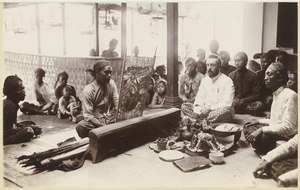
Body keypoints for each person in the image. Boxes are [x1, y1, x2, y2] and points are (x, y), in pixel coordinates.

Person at [244, 62, 297, 154]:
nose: (265, 78)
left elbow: (289, 128)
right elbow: (276, 121)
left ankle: (272, 149)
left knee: (261, 137)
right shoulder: (276, 93)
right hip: (278, 131)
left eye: (269, 74)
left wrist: (262, 129)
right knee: (248, 126)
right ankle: (263, 145)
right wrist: (259, 121)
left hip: (288, 137)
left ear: (280, 78)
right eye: (265, 75)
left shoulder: (291, 95)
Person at [181, 56, 235, 123]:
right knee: (184, 106)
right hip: (204, 111)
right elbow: (199, 98)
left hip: (218, 111)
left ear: (219, 66)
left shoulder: (227, 81)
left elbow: (227, 104)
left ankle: (198, 120)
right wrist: (199, 109)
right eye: (208, 65)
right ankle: (203, 121)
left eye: (212, 65)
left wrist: (209, 109)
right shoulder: (205, 80)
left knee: (223, 112)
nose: (209, 68)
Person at [75, 60, 119, 138]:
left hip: (108, 118)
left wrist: (117, 111)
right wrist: (103, 127)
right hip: (96, 121)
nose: (109, 75)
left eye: (110, 72)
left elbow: (116, 99)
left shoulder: (111, 83)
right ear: (97, 73)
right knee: (81, 126)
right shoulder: (88, 90)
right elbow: (88, 115)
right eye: (106, 72)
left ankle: (101, 133)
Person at [3, 75, 41, 145]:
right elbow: (7, 131)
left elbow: (12, 124)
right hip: (3, 137)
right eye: (20, 89)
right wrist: (25, 129)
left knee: (31, 124)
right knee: (29, 131)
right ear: (11, 92)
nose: (23, 92)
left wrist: (25, 126)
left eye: (23, 88)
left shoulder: (12, 103)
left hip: (7, 129)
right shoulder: (9, 106)